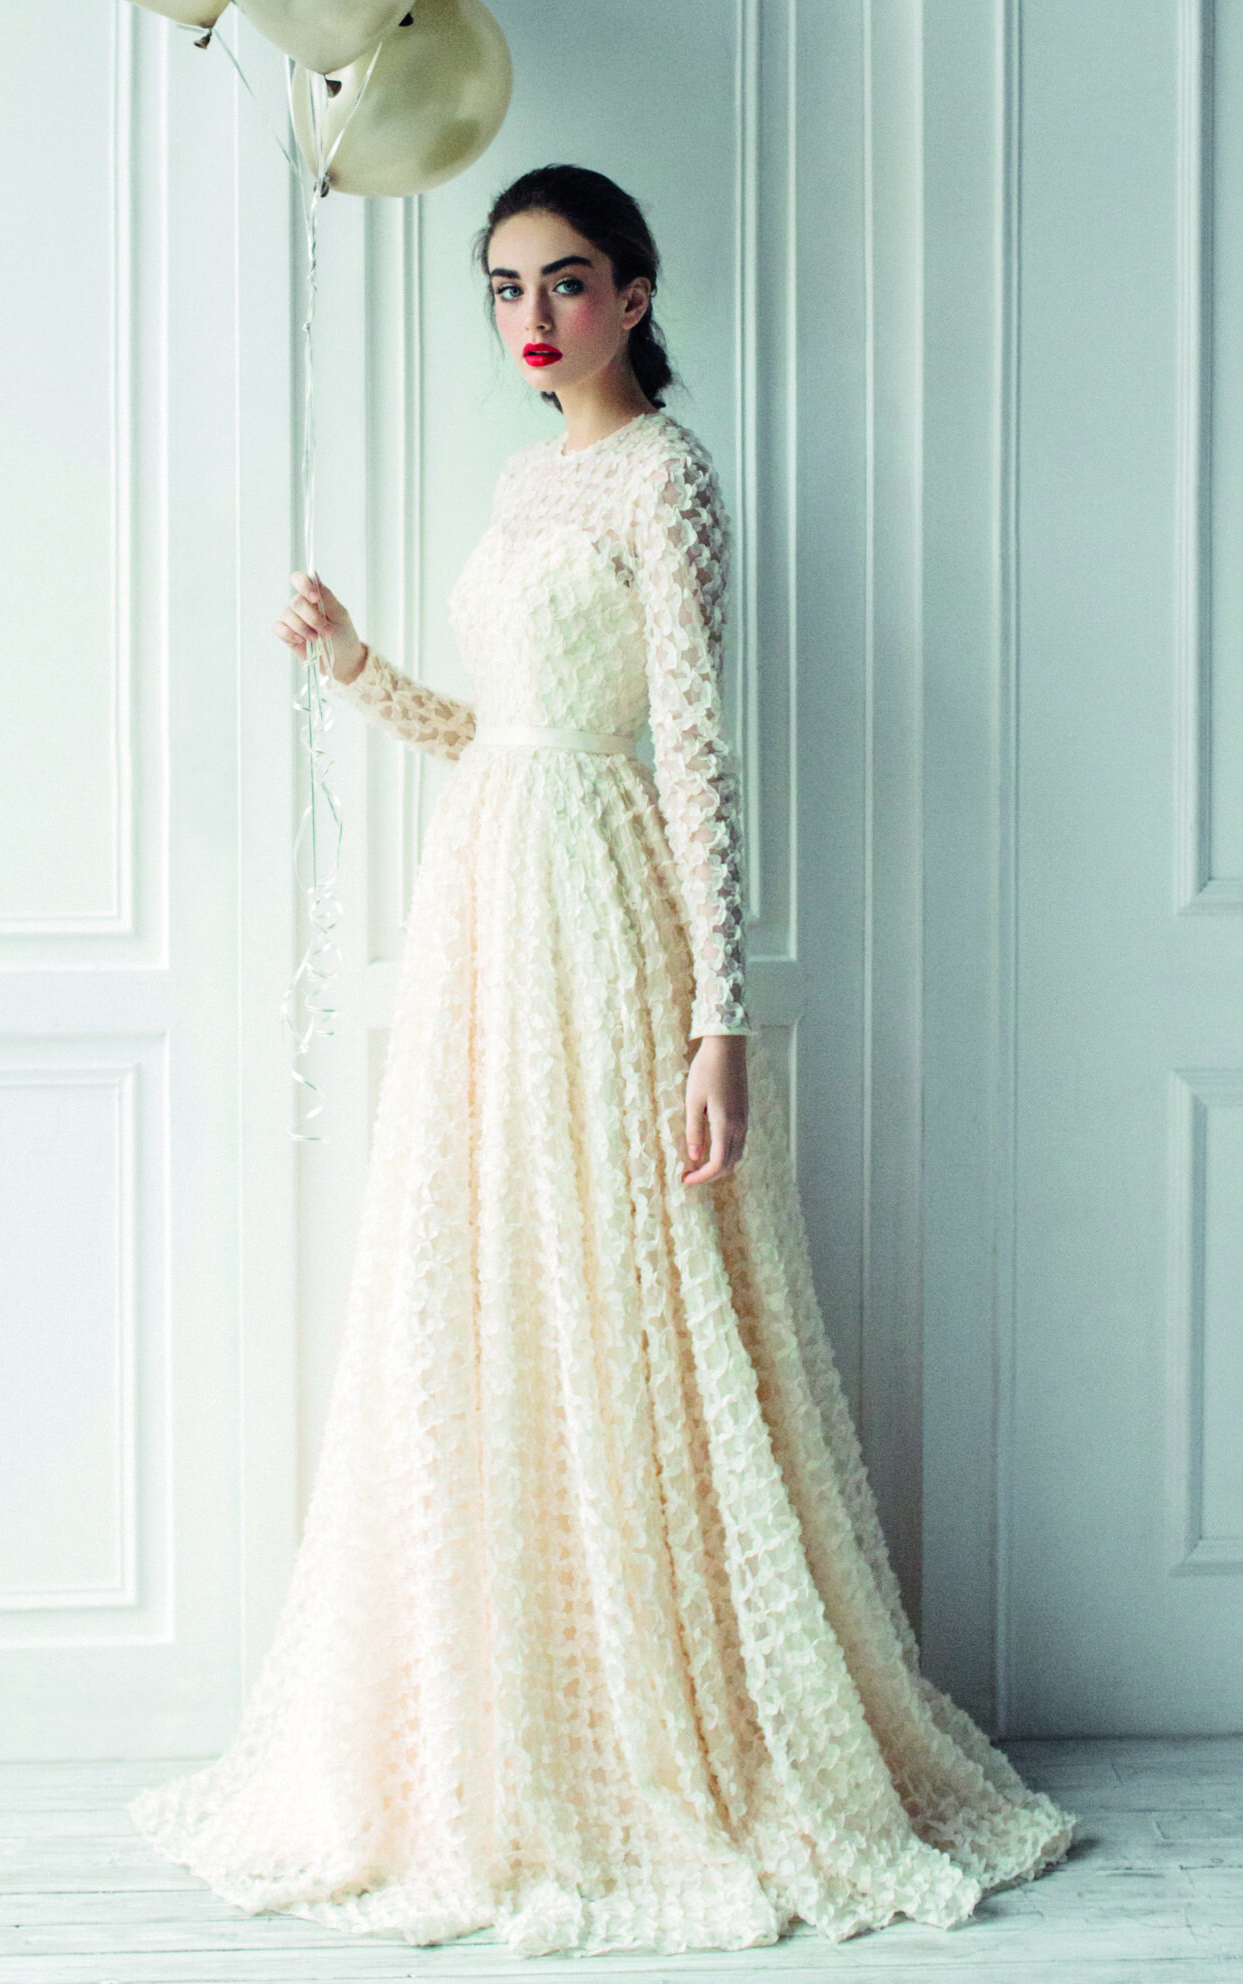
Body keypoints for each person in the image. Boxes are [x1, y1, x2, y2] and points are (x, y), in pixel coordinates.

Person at [130, 163, 1076, 1956]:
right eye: (503, 289)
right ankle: (494, 1710)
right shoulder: (519, 480)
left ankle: (683, 1726)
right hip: (487, 900)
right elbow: (499, 738)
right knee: (477, 1281)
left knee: (629, 1284)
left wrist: (720, 1021)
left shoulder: (670, 479)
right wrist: (353, 670)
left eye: (566, 283)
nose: (532, 318)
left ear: (636, 295)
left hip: (601, 914)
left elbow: (691, 757)